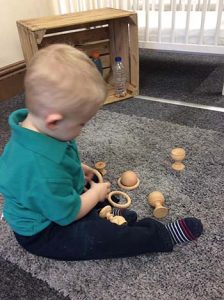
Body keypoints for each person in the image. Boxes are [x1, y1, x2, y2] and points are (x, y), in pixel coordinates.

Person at [0, 44, 203, 261]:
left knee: (88, 185)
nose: (81, 131)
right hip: (45, 231)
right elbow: (67, 214)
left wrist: (76, 169)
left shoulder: (34, 128)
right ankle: (159, 236)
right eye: (81, 124)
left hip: (54, 199)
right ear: (54, 121)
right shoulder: (41, 170)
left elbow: (56, 166)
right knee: (98, 239)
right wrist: (95, 195)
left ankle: (104, 213)